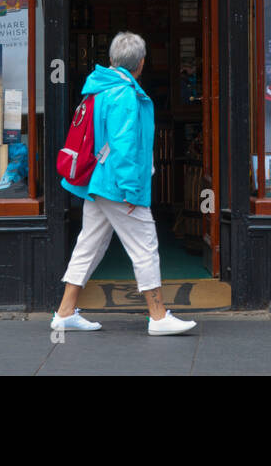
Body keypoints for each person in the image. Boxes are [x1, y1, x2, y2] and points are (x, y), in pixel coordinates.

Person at [52, 32, 197, 336]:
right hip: (117, 184)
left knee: (89, 244)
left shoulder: (101, 88)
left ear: (113, 60)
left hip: (98, 181)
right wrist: (132, 189)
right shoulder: (125, 94)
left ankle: (65, 312)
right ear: (142, 63)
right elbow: (124, 146)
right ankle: (158, 316)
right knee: (145, 245)